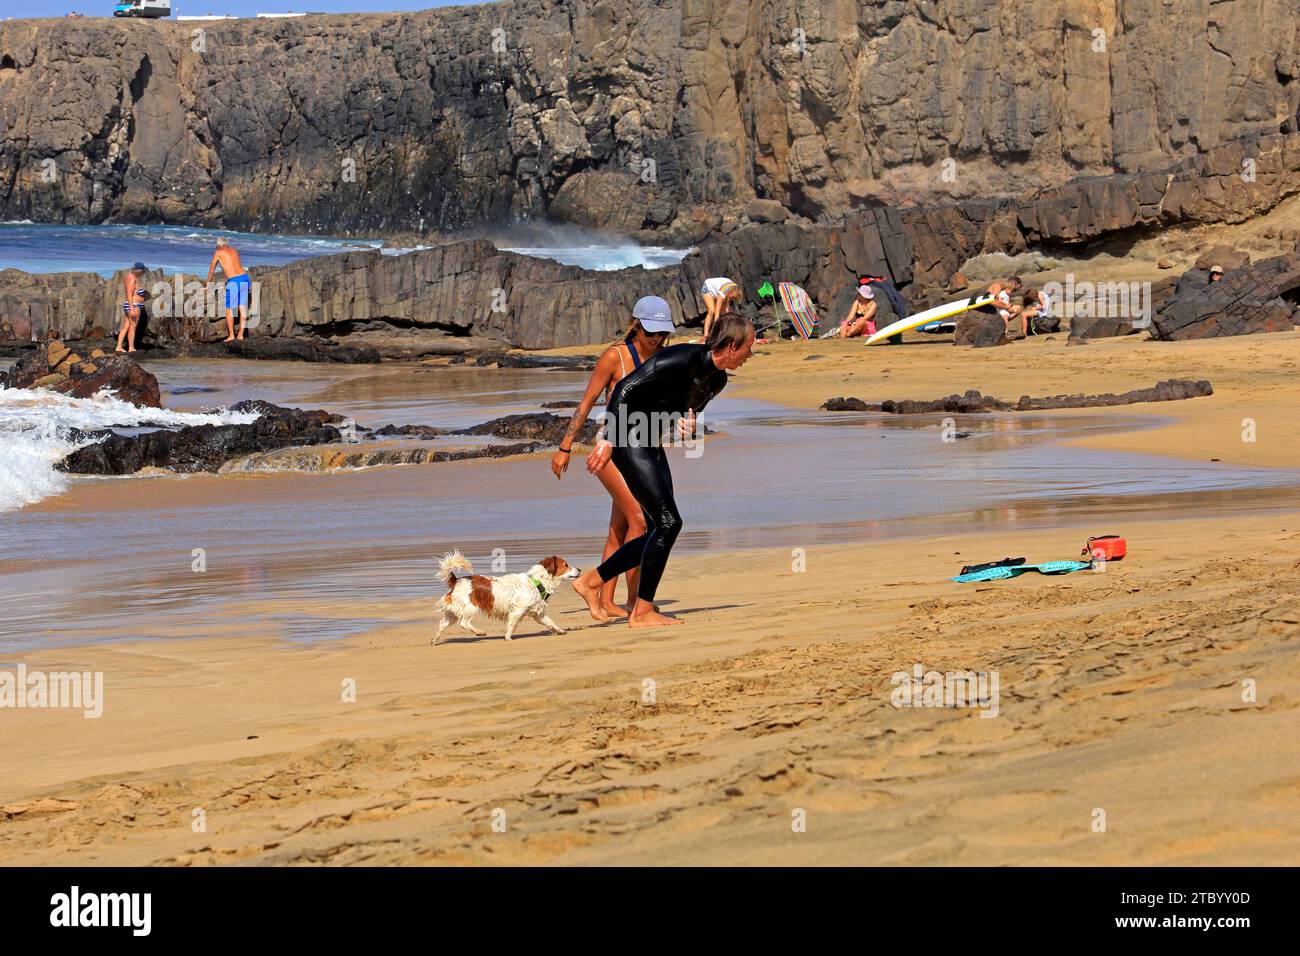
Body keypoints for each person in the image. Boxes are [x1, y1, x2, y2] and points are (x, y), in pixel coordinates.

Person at [572, 312, 755, 628]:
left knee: (663, 526)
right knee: (669, 522)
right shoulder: (681, 356)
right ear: (730, 344)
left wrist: (690, 420)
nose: (750, 354)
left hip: (650, 441)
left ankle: (592, 581)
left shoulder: (719, 379)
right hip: (627, 437)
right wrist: (608, 441)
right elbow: (624, 390)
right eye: (748, 347)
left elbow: (688, 406)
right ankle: (640, 611)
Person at [551, 295, 674, 617]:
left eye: (662, 333)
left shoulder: (664, 358)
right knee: (642, 523)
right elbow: (587, 401)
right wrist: (565, 447)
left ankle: (605, 601)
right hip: (612, 448)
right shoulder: (615, 357)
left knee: (618, 530)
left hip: (646, 448)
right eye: (651, 332)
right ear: (636, 325)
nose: (657, 338)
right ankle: (635, 601)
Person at [207, 237, 251, 341]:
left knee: (229, 309)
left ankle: (231, 335)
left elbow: (211, 270)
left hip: (234, 281)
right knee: (242, 307)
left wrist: (208, 285)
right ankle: (240, 335)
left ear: (218, 245)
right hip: (245, 278)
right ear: (227, 244)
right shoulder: (234, 250)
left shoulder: (218, 252)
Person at [116, 261, 148, 353]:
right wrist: (132, 308)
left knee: (126, 326)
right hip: (134, 305)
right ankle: (131, 348)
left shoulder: (131, 278)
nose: (143, 273)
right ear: (139, 270)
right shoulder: (132, 278)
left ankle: (119, 347)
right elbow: (129, 294)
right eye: (143, 271)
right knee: (132, 327)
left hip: (132, 305)